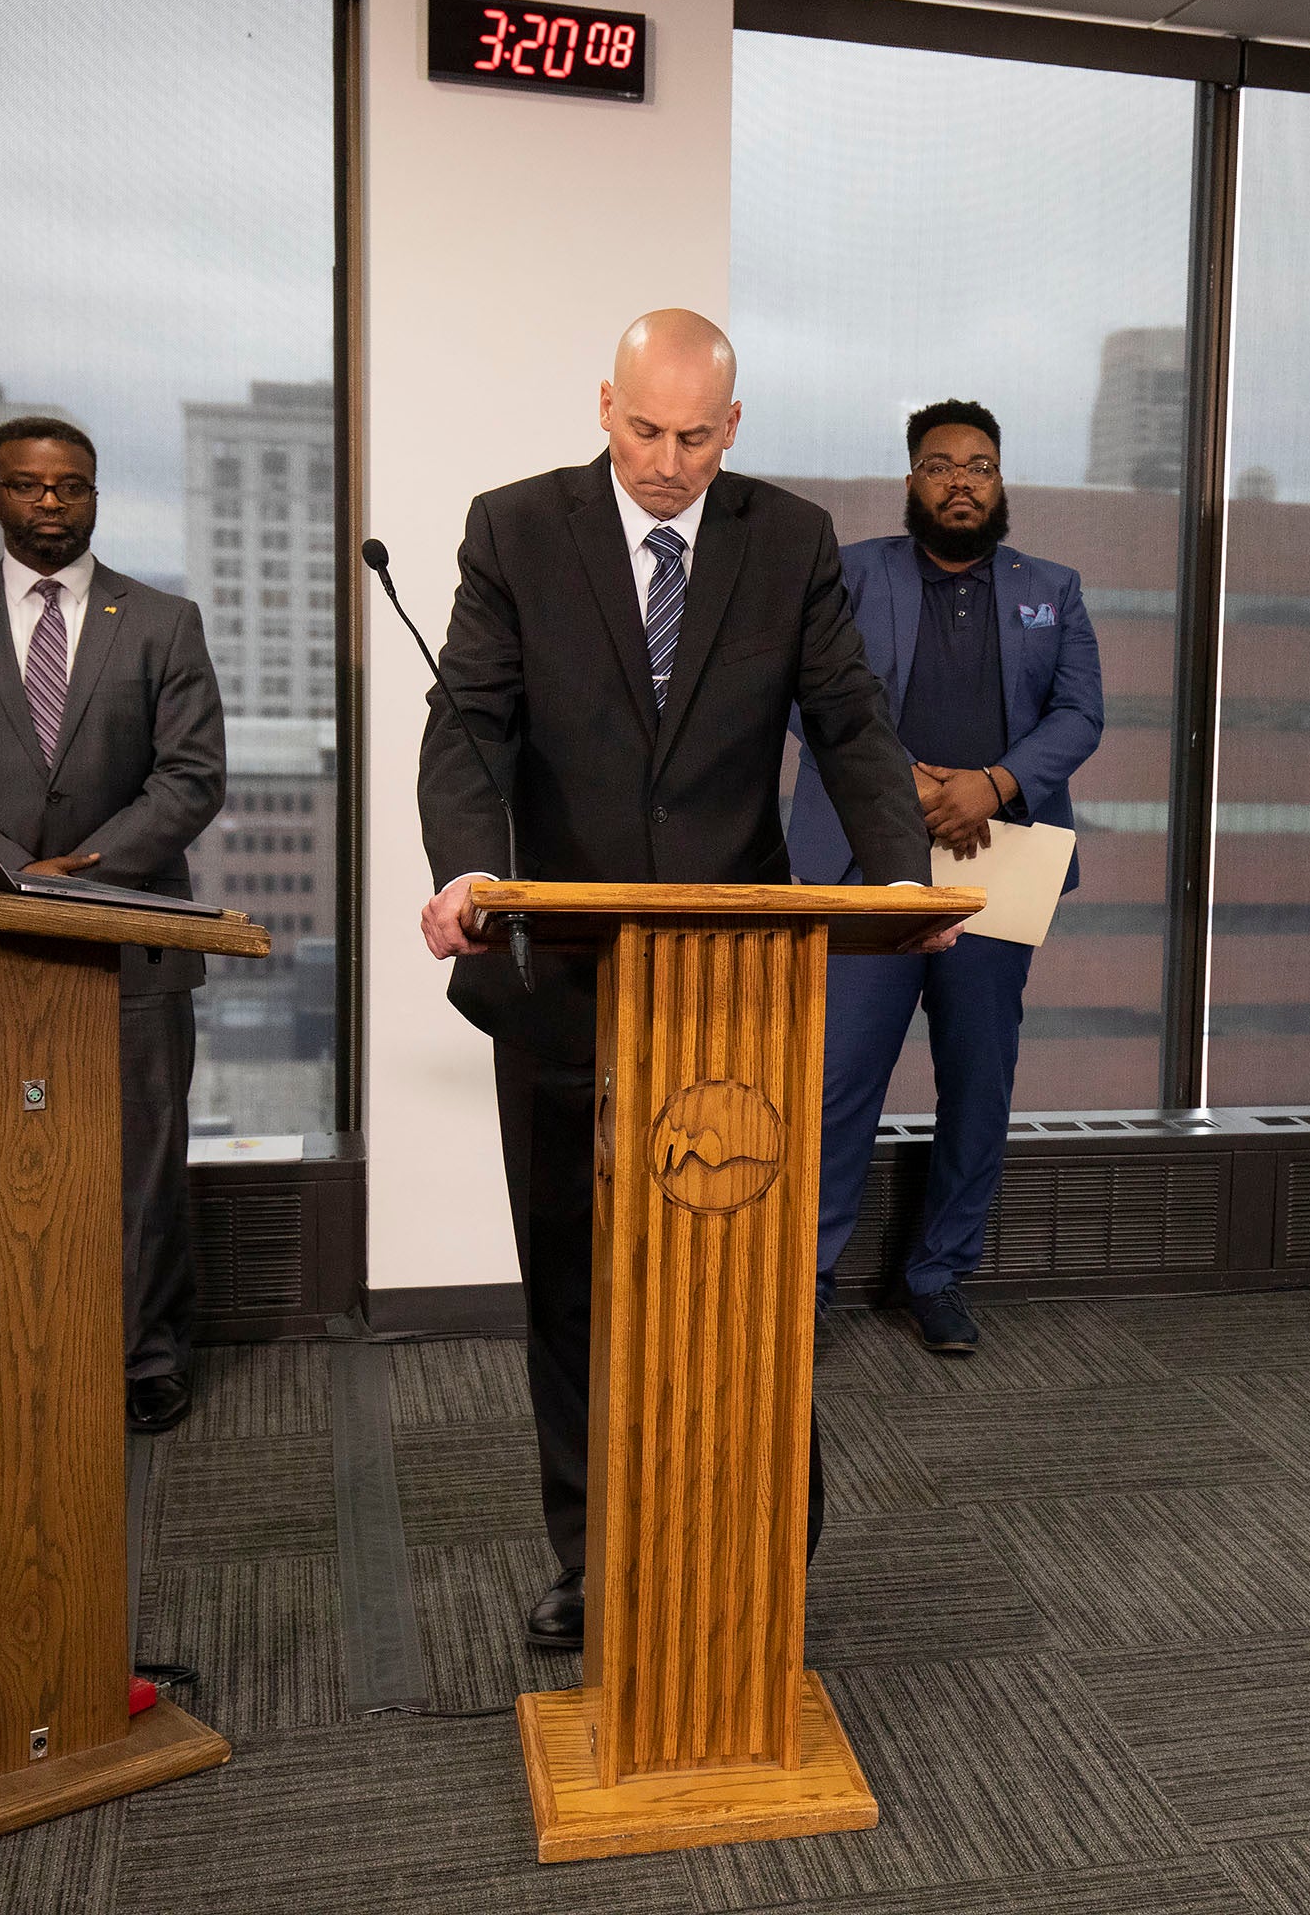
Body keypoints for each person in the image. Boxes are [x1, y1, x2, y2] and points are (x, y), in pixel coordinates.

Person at [416, 309, 950, 1650]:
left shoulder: (787, 542)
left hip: (730, 985)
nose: (665, 461)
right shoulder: (517, 530)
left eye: (694, 437)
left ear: (733, 429)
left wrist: (896, 878)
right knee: (574, 1285)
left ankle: (755, 1535)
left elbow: (848, 721)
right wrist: (472, 875)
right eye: (643, 430)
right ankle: (593, 1556)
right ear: (604, 405)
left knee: (735, 1270)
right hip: (559, 971)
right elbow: (467, 726)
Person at [0, 416, 226, 1435]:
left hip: (133, 932)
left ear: (94, 494)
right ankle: (12, 1343)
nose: (49, 503)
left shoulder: (162, 620)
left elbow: (194, 776)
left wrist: (80, 872)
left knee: (142, 1157)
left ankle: (145, 1357)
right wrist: (6, 872)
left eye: (70, 485)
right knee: (1, 1157)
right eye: (27, 485)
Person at [791, 399, 1102, 1356]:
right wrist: (913, 782)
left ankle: (940, 1273)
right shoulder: (850, 572)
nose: (960, 480)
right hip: (867, 861)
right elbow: (804, 696)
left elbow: (1080, 714)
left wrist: (994, 784)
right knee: (841, 1078)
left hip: (999, 863)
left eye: (979, 465)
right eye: (939, 465)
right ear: (913, 478)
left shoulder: (1053, 585)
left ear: (1001, 481)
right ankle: (806, 1285)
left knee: (979, 1079)